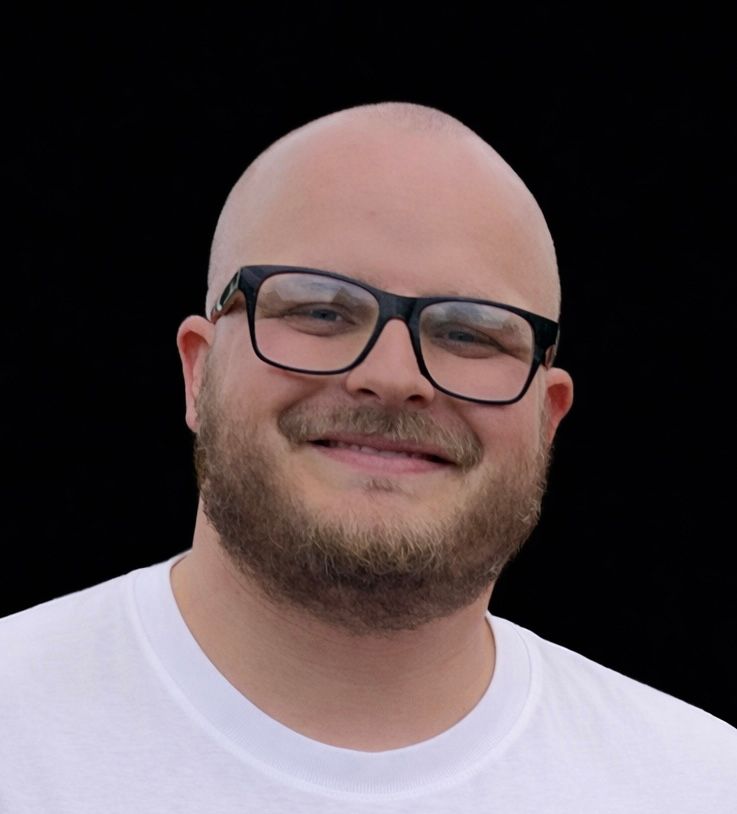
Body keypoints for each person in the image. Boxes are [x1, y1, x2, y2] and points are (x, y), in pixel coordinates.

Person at [1, 102, 735, 813]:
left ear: (548, 419)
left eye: (469, 333)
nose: (392, 376)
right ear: (198, 373)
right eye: (321, 310)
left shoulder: (699, 786)